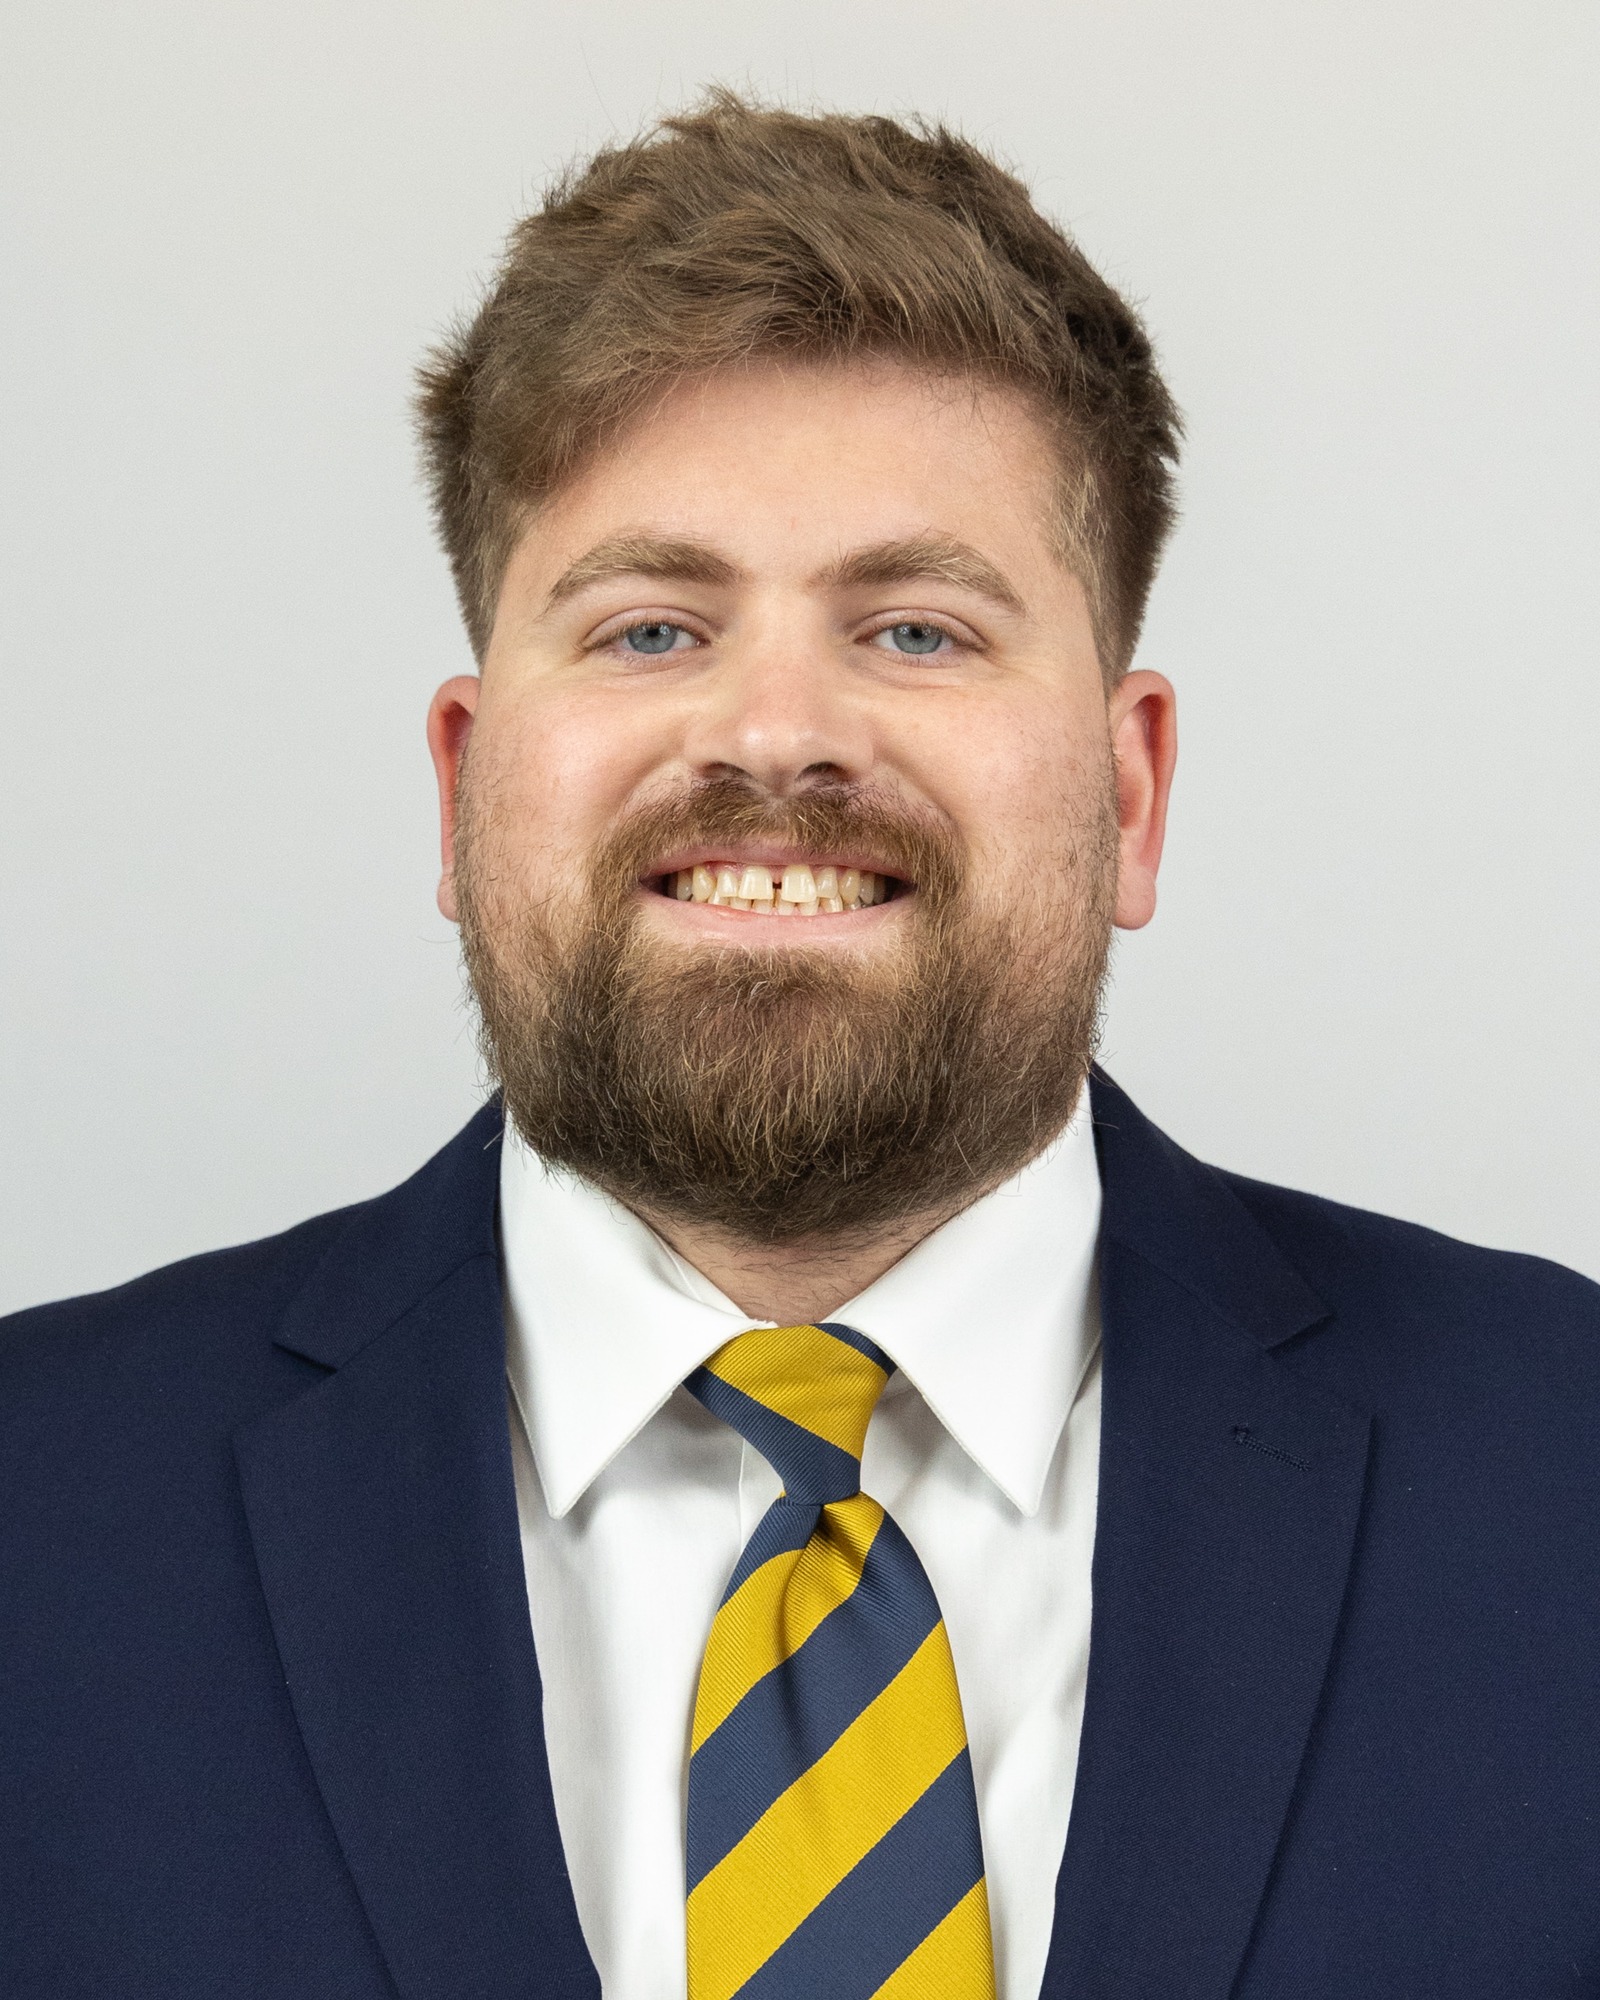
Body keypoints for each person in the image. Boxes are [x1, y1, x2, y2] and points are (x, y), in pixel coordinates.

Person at [3, 92, 1598, 2000]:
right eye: (651, 629)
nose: (776, 734)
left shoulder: (1563, 1481)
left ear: (1130, 787)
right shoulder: (40, 1514)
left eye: (917, 631)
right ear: (457, 789)